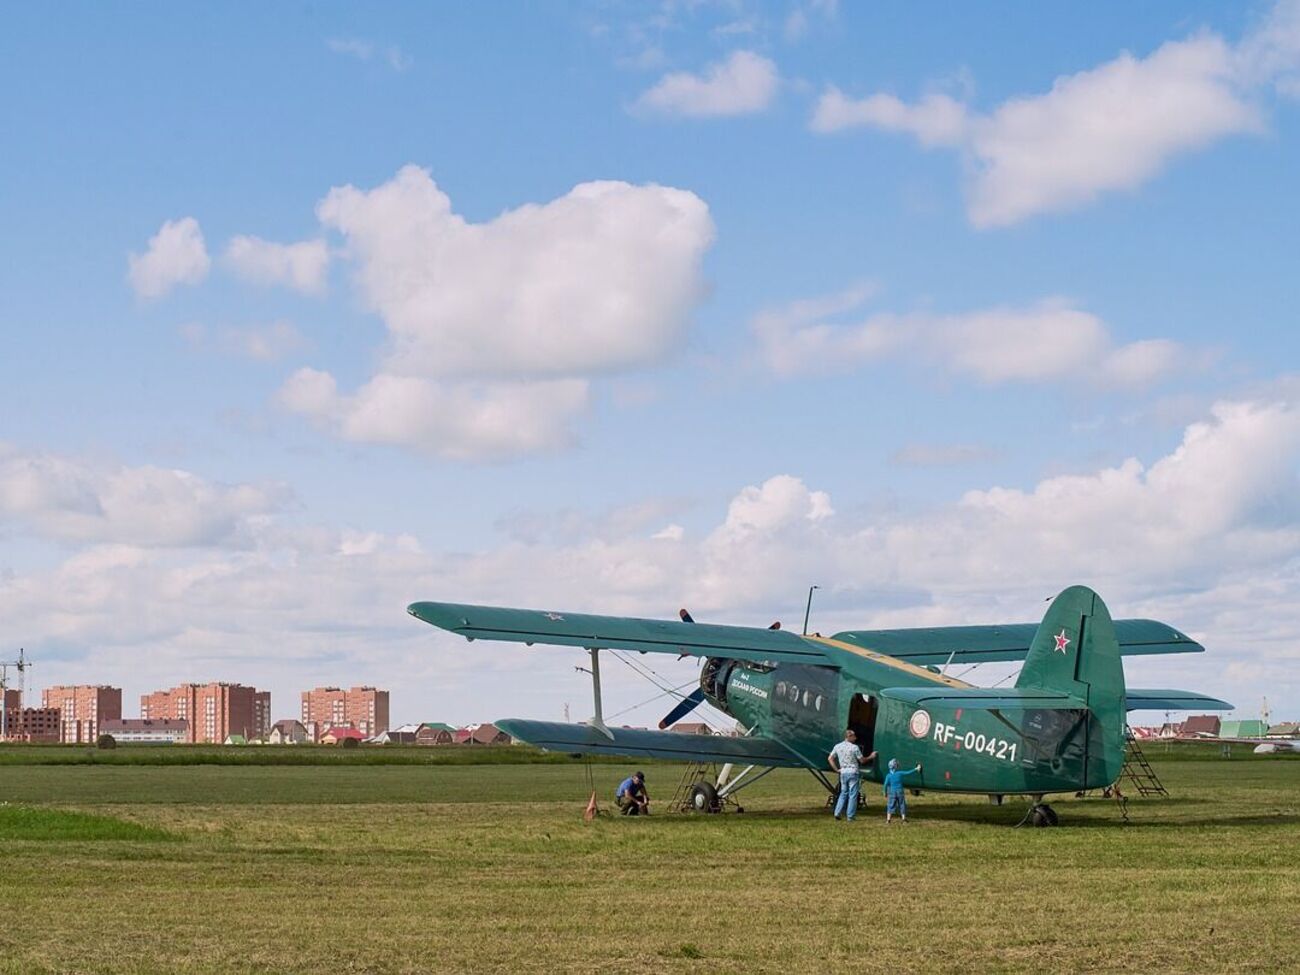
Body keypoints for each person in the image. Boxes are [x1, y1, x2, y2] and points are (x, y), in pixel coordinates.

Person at [828, 729, 877, 822]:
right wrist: (871, 756)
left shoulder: (837, 746)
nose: (855, 738)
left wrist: (836, 769)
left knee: (843, 793)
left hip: (843, 772)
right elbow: (862, 760)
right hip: (853, 772)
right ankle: (850, 816)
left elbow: (830, 758)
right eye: (854, 736)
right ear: (849, 737)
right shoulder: (854, 748)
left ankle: (837, 812)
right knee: (853, 794)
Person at [882, 758, 922, 823]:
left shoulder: (888, 776)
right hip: (900, 791)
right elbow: (908, 772)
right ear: (895, 766)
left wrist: (884, 792)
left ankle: (888, 820)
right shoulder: (899, 773)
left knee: (890, 805)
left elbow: (885, 785)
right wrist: (916, 768)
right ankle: (903, 819)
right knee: (902, 805)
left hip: (892, 792)